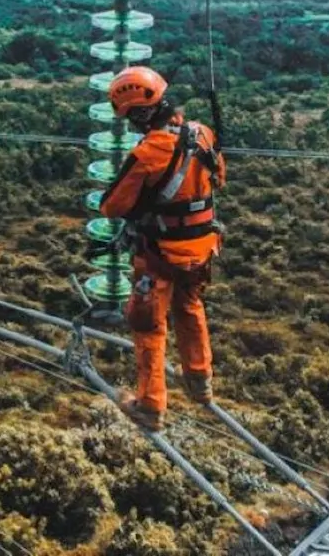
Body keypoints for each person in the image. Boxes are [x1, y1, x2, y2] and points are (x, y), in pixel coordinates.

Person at [98, 66, 226, 432]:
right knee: (190, 306)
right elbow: (219, 177)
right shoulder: (203, 134)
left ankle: (151, 405)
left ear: (139, 113)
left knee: (148, 324)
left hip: (161, 252)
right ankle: (200, 382)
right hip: (201, 248)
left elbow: (113, 205)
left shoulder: (151, 149)